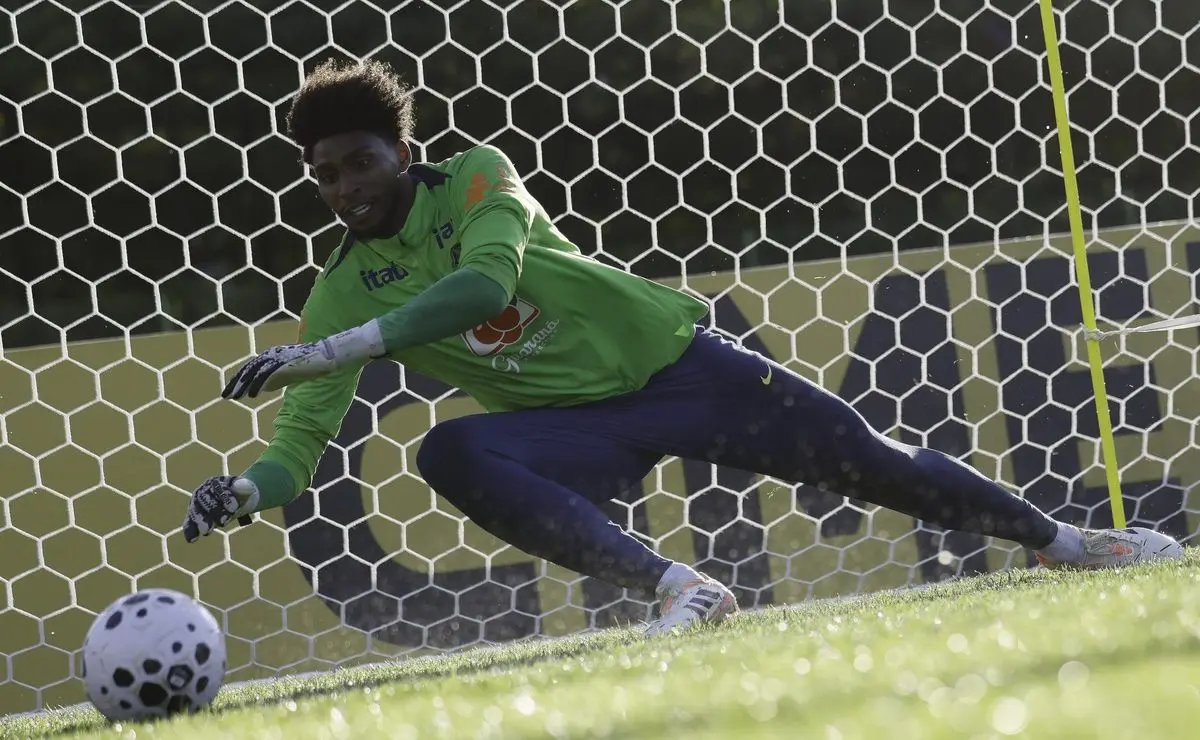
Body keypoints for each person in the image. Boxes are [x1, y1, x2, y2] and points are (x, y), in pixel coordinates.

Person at [181, 58, 1184, 636]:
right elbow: (301, 440)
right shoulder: (340, 288)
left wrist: (338, 347)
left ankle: (1068, 541)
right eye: (325, 175)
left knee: (876, 462)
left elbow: (482, 287)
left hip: (682, 369)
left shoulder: (481, 176)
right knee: (449, 449)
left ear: (403, 152)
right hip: (575, 431)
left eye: (360, 161)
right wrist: (249, 489)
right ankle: (682, 588)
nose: (345, 185)